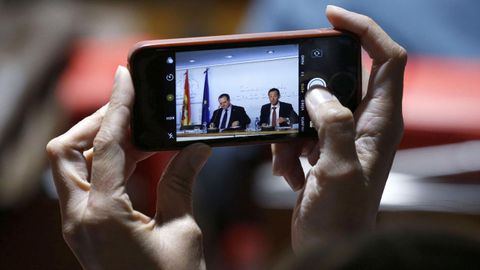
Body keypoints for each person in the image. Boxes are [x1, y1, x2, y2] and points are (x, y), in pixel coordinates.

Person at [46, 6, 407, 269]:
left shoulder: (250, 114)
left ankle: (222, 226)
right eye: (220, 99)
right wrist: (332, 244)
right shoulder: (250, 113)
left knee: (285, 10)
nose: (271, 101)